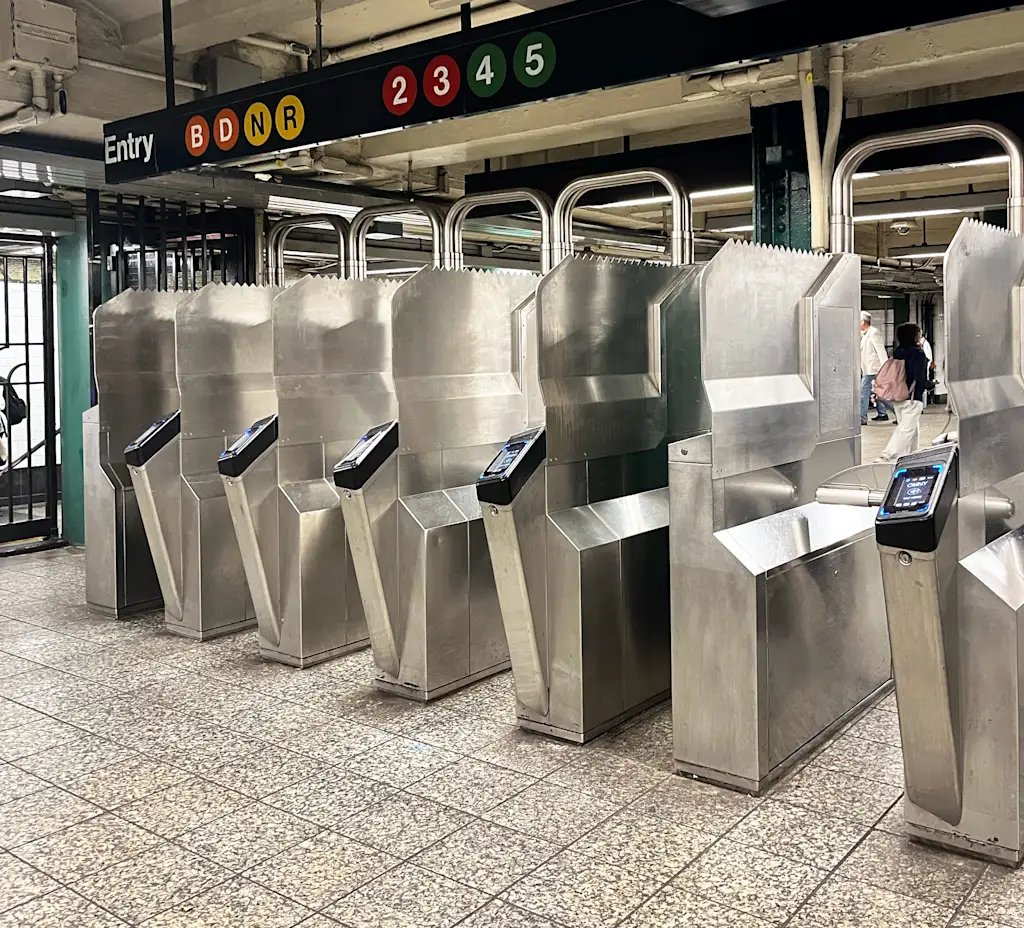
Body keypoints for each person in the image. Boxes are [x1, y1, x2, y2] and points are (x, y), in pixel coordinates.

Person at [876, 322, 931, 463]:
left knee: (911, 426)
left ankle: (912, 455)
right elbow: (919, 377)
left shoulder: (898, 351)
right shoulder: (917, 353)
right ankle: (888, 455)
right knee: (906, 429)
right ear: (914, 335)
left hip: (898, 394)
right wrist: (928, 385)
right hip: (912, 396)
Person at [860, 311, 891, 424]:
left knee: (863, 393)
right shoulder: (864, 334)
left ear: (863, 322)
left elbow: (881, 352)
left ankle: (862, 418)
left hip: (874, 369)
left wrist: (885, 369)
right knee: (879, 394)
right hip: (868, 369)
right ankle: (885, 413)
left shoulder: (874, 333)